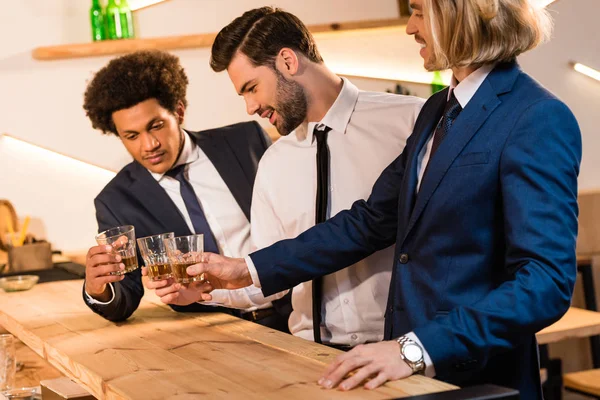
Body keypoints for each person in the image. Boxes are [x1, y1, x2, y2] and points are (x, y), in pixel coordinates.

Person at [186, 0, 582, 397]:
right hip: (404, 376)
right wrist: (246, 269)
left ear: (460, 12)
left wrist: (413, 349)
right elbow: (369, 221)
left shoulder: (537, 115)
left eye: (418, 11)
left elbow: (545, 283)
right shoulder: (436, 111)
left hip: (478, 377)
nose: (410, 27)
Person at [155, 7, 424, 348]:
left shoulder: (409, 122)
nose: (250, 108)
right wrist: (207, 290)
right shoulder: (273, 163)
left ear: (287, 61)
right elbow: (272, 277)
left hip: (404, 352)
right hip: (310, 359)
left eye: (252, 88)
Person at [81, 50, 290, 332]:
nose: (148, 145)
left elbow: (296, 222)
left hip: (292, 312)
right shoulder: (116, 201)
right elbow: (124, 300)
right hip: (208, 332)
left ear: (178, 112)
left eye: (156, 126)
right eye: (131, 136)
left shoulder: (244, 141)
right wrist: (98, 289)